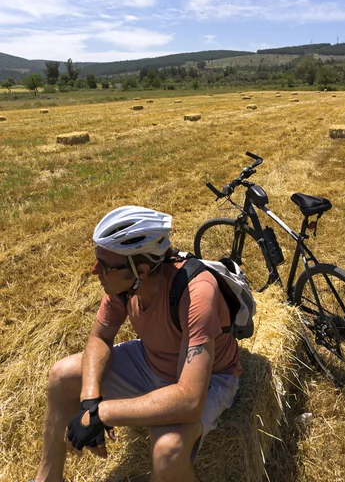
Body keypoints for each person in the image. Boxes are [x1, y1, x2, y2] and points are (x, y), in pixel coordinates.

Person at [30, 206, 242, 482]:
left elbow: (190, 399)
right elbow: (99, 337)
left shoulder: (196, 291)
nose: (95, 271)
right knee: (62, 375)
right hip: (152, 358)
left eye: (105, 266)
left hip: (211, 378)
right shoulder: (125, 285)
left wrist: (101, 414)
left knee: (168, 449)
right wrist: (90, 400)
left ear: (141, 269)